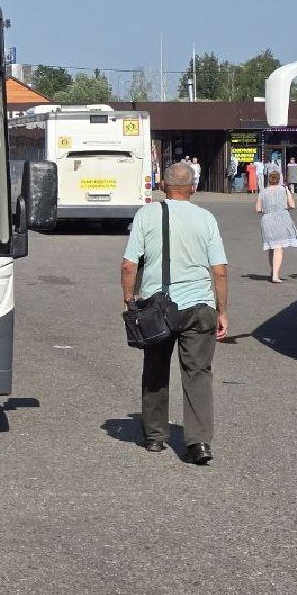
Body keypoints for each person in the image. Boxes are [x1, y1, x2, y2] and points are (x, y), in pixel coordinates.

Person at [120, 161, 228, 465]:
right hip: (199, 307)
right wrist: (222, 311)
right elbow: (219, 271)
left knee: (155, 369)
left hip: (158, 307)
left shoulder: (147, 214)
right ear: (192, 186)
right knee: (198, 374)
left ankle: (155, 436)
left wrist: (129, 301)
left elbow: (129, 264)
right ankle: (199, 444)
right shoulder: (206, 218)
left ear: (163, 186)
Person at [256, 166, 297, 283]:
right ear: (279, 179)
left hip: (267, 219)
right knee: (278, 247)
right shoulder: (284, 190)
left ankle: (273, 271)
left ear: (269, 180)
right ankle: (275, 275)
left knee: (273, 247)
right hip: (282, 218)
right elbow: (292, 205)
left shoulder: (263, 191)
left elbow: (258, 209)